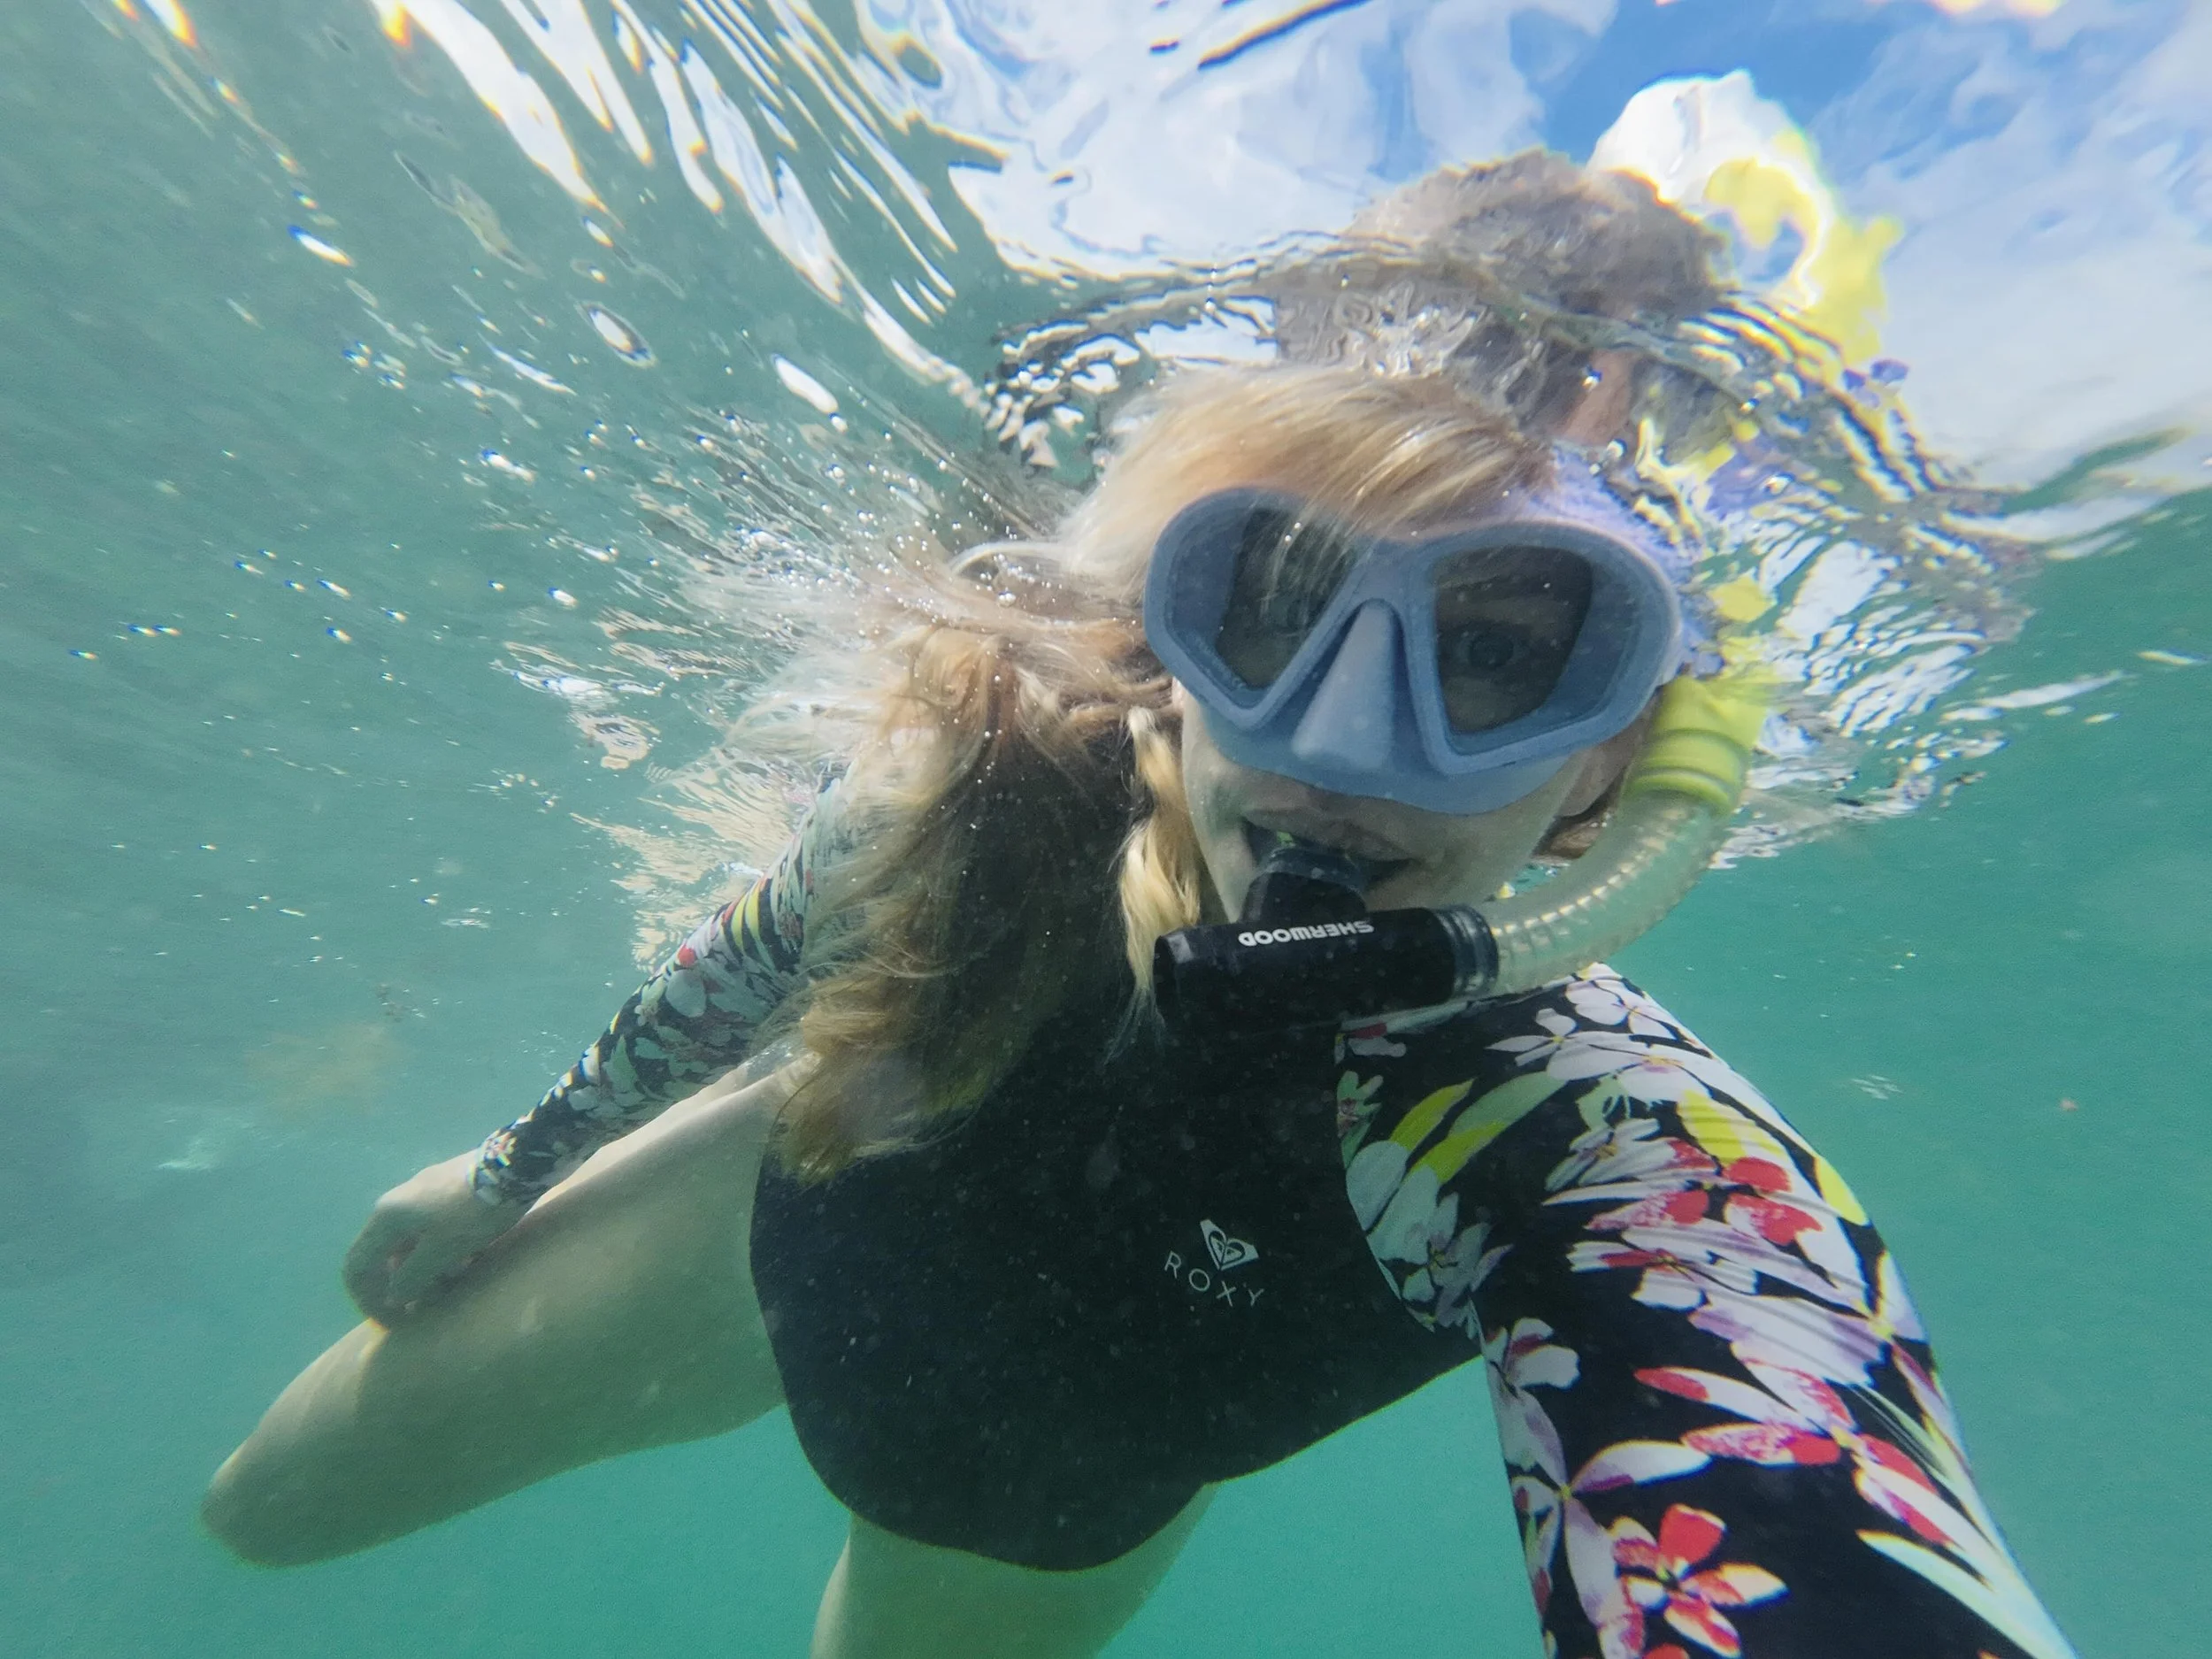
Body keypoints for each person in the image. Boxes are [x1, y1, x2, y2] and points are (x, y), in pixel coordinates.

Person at [203, 157, 2073, 1659]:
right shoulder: (983, 798)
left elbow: (1778, 1431)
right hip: (765, 1214)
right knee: (261, 1514)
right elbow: (764, 942)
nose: (1347, 748)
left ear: (1615, 765)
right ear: (1162, 643)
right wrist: (510, 1167)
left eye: (1500, 653)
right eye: (1278, 603)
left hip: (1037, 1505)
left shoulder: (1584, 1141)